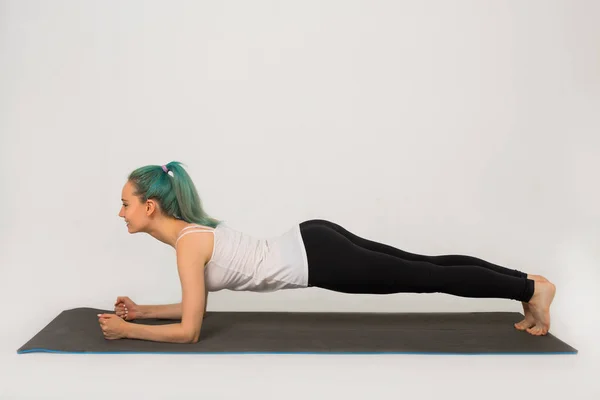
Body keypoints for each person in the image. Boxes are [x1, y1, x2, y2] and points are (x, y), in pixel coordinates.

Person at [100, 161, 556, 343]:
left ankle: (531, 287)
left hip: (320, 258)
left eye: (125, 203)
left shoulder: (187, 245)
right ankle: (528, 286)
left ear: (150, 205)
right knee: (426, 267)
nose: (121, 212)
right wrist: (142, 311)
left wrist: (127, 331)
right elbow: (193, 306)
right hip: (314, 240)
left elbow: (190, 331)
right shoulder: (190, 237)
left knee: (426, 275)